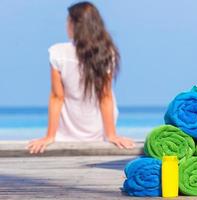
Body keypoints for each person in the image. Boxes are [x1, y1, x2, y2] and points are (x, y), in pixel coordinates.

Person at [27, 1, 135, 154]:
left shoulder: (58, 52)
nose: (66, 25)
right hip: (98, 130)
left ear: (75, 24)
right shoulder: (106, 53)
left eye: (68, 20)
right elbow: (105, 97)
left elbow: (57, 97)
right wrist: (111, 135)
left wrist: (49, 136)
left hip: (67, 131)